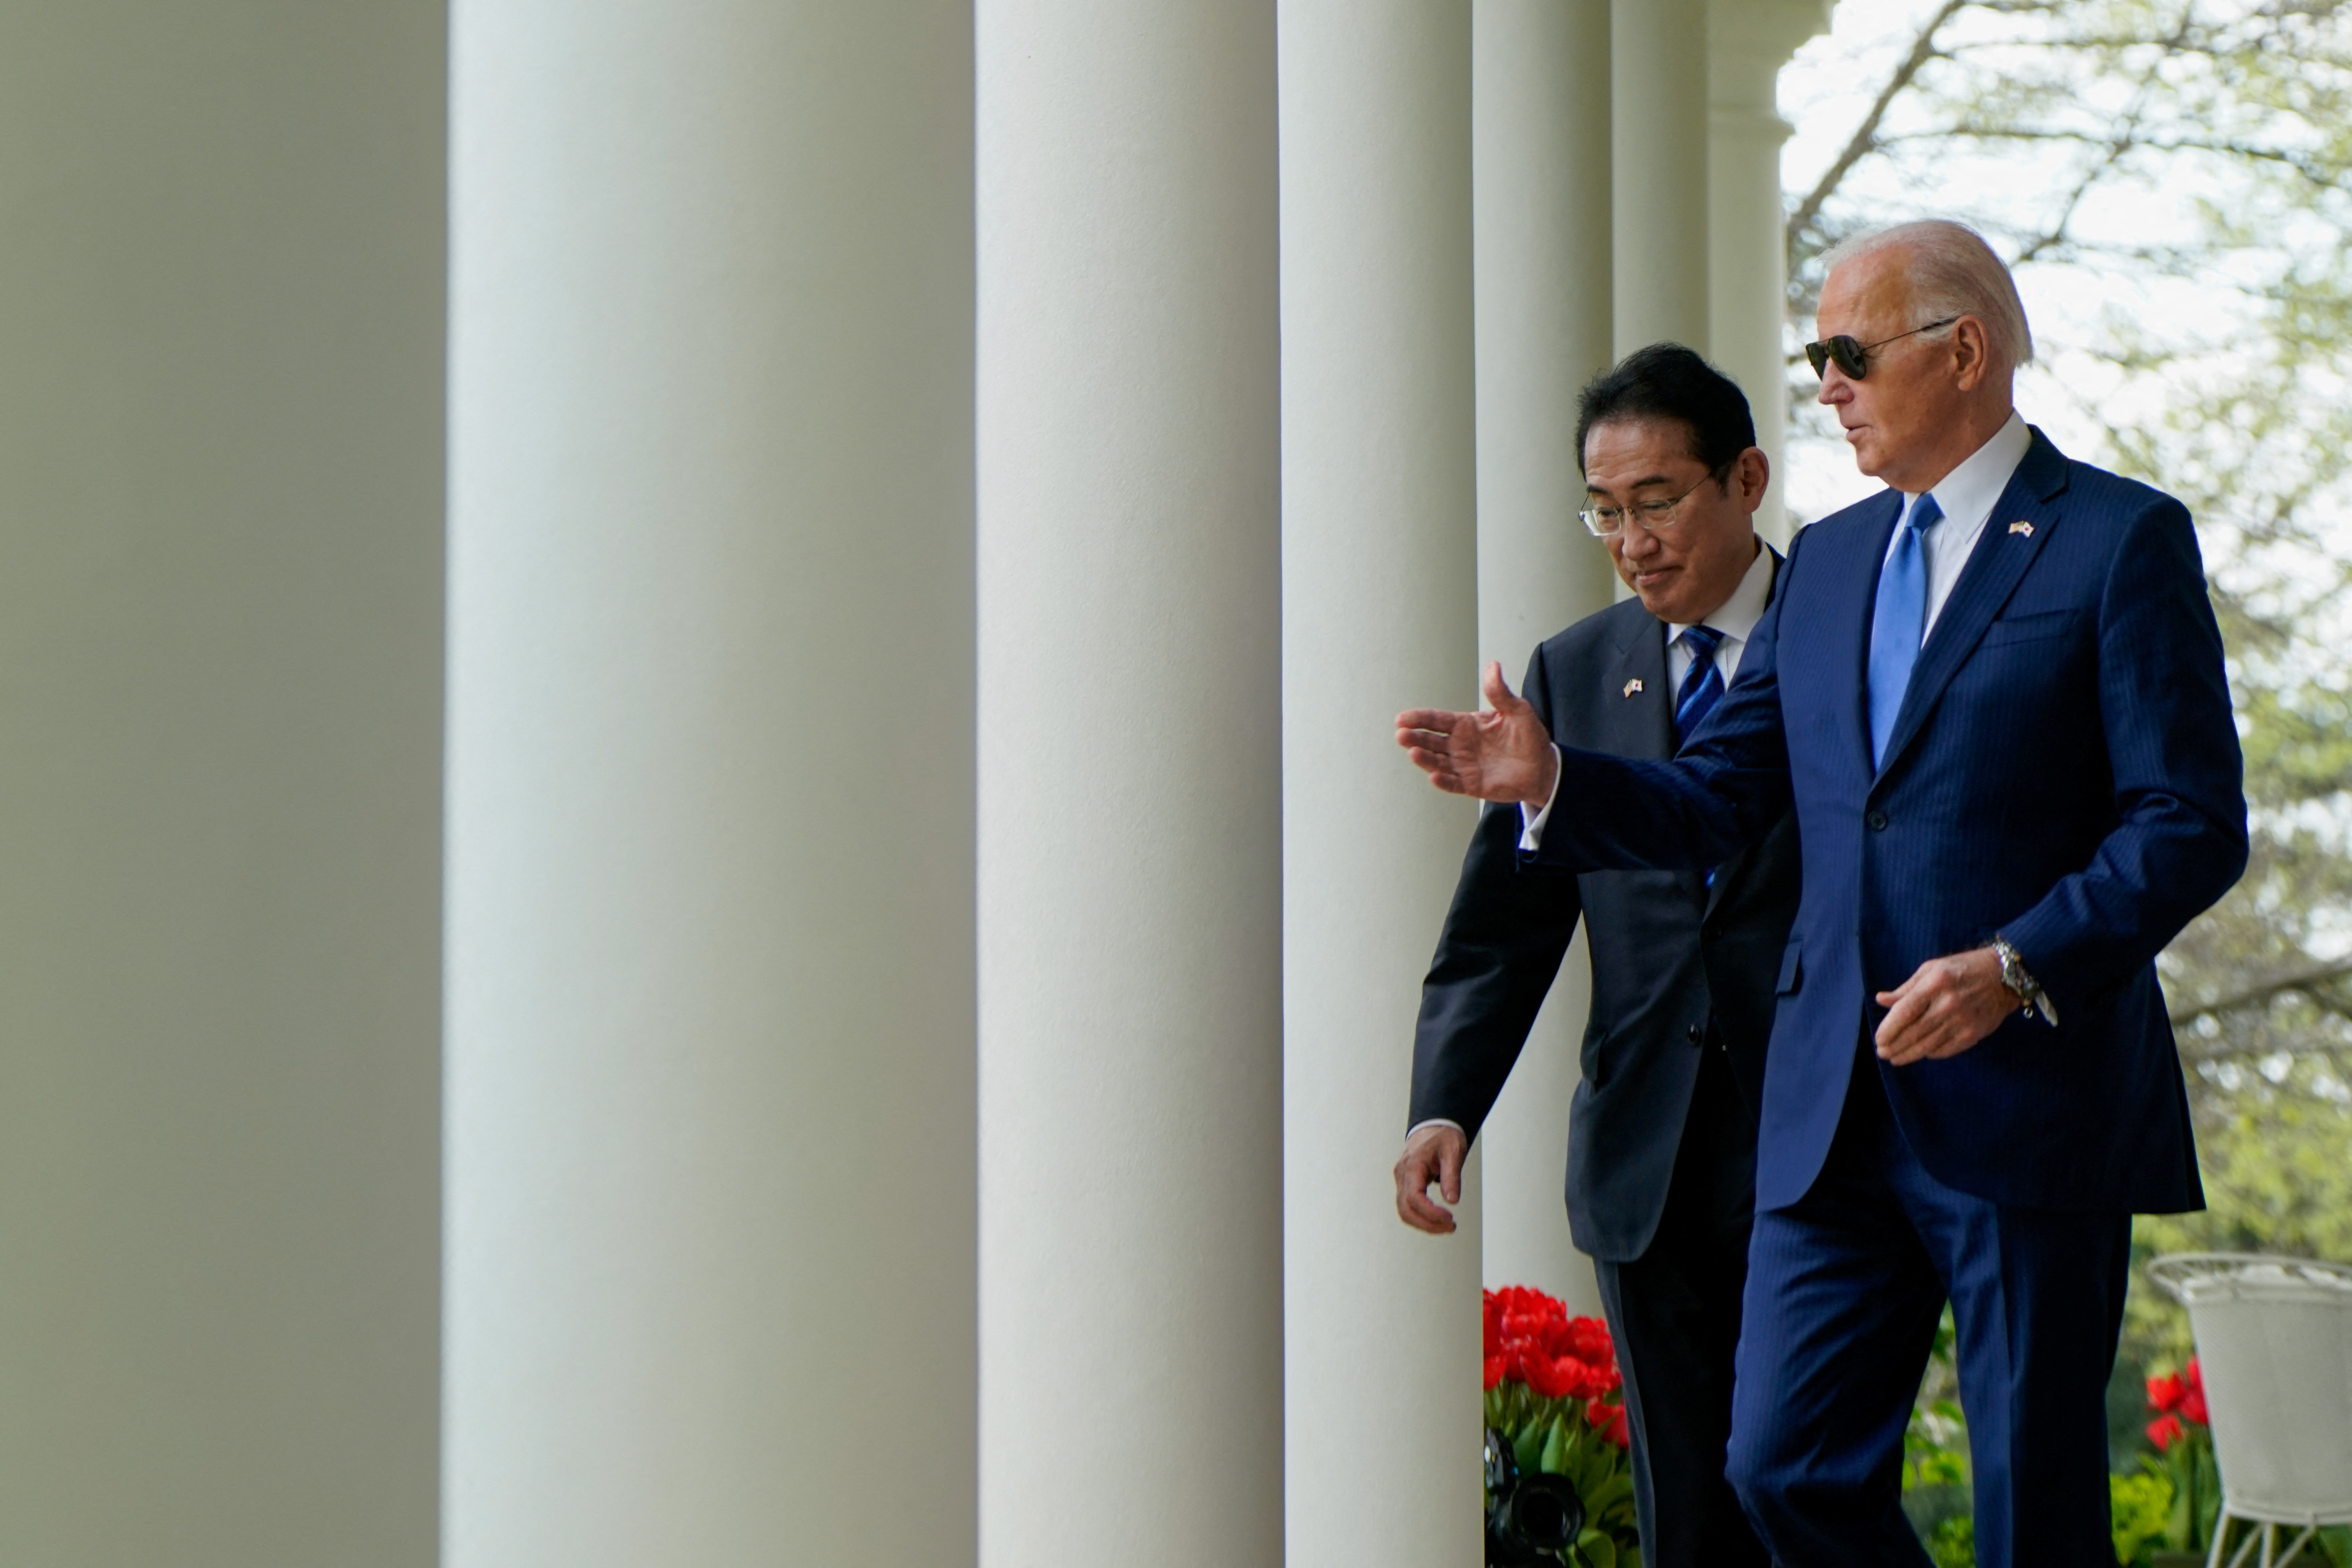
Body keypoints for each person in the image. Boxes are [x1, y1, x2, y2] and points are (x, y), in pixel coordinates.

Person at [1396, 220, 2246, 1568]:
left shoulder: (2117, 541)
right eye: (1819, 356)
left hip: (2028, 1096)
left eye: (1848, 352)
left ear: (1963, 352)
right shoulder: (1836, 561)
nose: (1828, 385)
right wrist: (1557, 776)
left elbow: (2188, 821)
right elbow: (1721, 790)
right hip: (1829, 1109)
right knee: (1777, 1465)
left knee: (2033, 1503)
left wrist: (2017, 963)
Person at [1393, 344, 1794, 1568]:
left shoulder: (1845, 635)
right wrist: (1442, 1104)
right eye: (1605, 511)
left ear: (1745, 479)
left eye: (1659, 501)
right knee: (1686, 1516)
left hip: (1821, 1135)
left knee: (1796, 1478)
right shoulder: (1572, 669)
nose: (1631, 540)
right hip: (1646, 1155)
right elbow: (1503, 924)